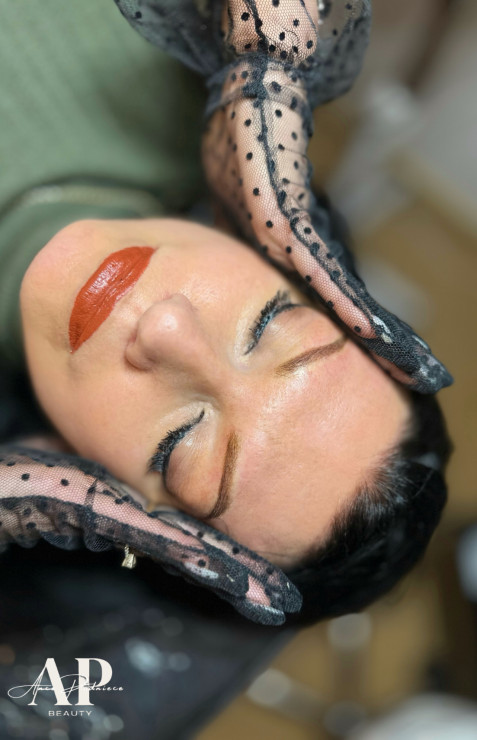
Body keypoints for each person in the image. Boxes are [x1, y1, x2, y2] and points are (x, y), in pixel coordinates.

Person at [0, 0, 454, 627]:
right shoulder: (157, 43)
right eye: (269, 322)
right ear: (293, 270)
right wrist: (263, 58)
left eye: (178, 448)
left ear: (72, 470)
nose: (167, 329)